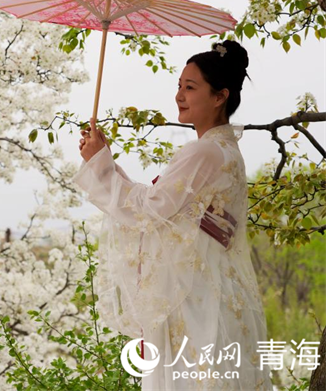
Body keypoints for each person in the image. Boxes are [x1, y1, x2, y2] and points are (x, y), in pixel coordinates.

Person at [73, 40, 273, 390]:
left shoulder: (205, 151)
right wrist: (103, 160)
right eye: (179, 86)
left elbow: (149, 210)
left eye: (190, 87)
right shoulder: (226, 150)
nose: (180, 95)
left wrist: (100, 165)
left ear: (219, 96)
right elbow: (159, 205)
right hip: (215, 289)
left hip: (194, 297)